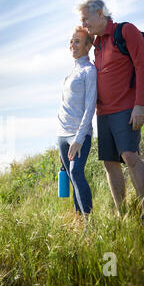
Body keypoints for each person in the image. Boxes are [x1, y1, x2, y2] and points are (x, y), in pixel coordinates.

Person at [77, 0, 144, 219]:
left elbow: (142, 66)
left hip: (126, 109)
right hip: (104, 114)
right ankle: (123, 213)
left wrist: (140, 105)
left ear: (100, 13)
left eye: (85, 19)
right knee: (110, 164)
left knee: (130, 156)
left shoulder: (126, 31)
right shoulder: (97, 43)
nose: (84, 25)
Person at [57, 26, 97, 219]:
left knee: (77, 172)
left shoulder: (89, 71)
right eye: (71, 41)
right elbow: (64, 106)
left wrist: (79, 138)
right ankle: (78, 223)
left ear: (88, 46)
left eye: (78, 41)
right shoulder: (70, 73)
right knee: (72, 178)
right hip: (63, 135)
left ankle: (89, 224)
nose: (73, 44)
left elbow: (90, 108)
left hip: (79, 135)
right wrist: (61, 142)